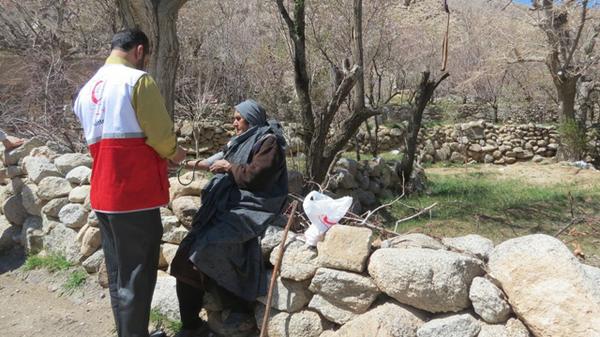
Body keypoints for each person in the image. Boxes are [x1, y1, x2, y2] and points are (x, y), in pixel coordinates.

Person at [73, 28, 186, 337]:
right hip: (134, 195)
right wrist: (178, 154)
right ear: (139, 51)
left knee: (119, 275)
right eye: (145, 57)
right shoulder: (137, 81)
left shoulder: (86, 90)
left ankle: (128, 332)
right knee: (138, 276)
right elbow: (161, 137)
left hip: (104, 196)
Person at [170, 99, 288, 337]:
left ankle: (238, 307)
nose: (234, 123)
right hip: (231, 203)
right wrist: (182, 162)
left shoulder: (269, 142)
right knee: (185, 254)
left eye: (238, 118)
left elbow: (257, 177)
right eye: (234, 118)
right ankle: (191, 325)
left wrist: (230, 168)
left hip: (254, 205)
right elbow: (213, 161)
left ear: (251, 119)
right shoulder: (238, 142)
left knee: (209, 247)